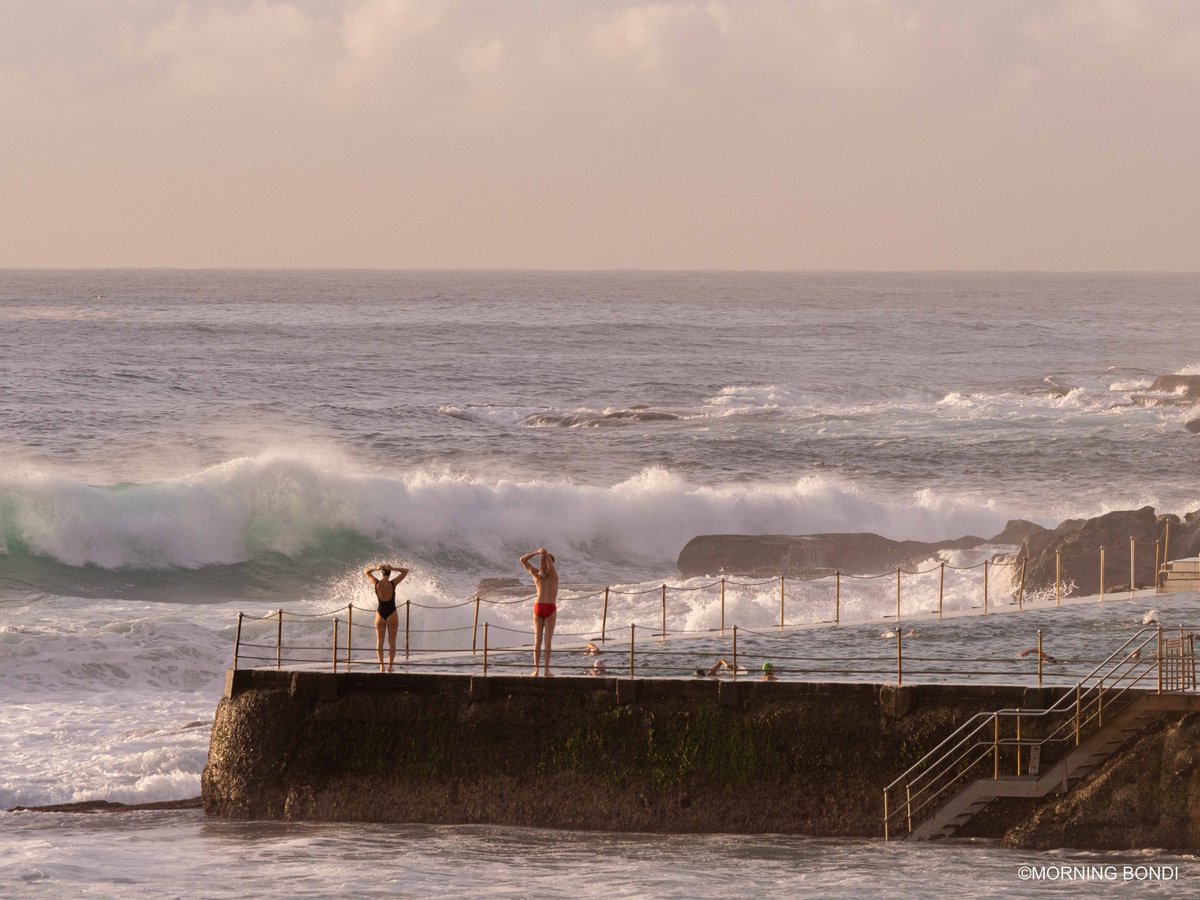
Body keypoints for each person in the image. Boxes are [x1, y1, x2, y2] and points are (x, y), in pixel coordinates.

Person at [520, 547, 559, 677]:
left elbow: (523, 560)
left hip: (541, 607)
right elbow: (522, 560)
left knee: (543, 641)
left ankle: (542, 670)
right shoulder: (548, 575)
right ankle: (539, 670)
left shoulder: (541, 574)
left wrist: (541, 554)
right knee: (541, 640)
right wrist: (539, 552)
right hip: (545, 607)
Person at [364, 563, 409, 673]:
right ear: (389, 573)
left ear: (381, 572)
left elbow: (366, 571)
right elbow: (405, 571)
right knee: (392, 642)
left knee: (380, 641)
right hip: (392, 613)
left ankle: (381, 666)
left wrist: (376, 568)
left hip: (380, 614)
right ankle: (390, 666)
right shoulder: (393, 583)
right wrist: (393, 568)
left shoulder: (376, 583)